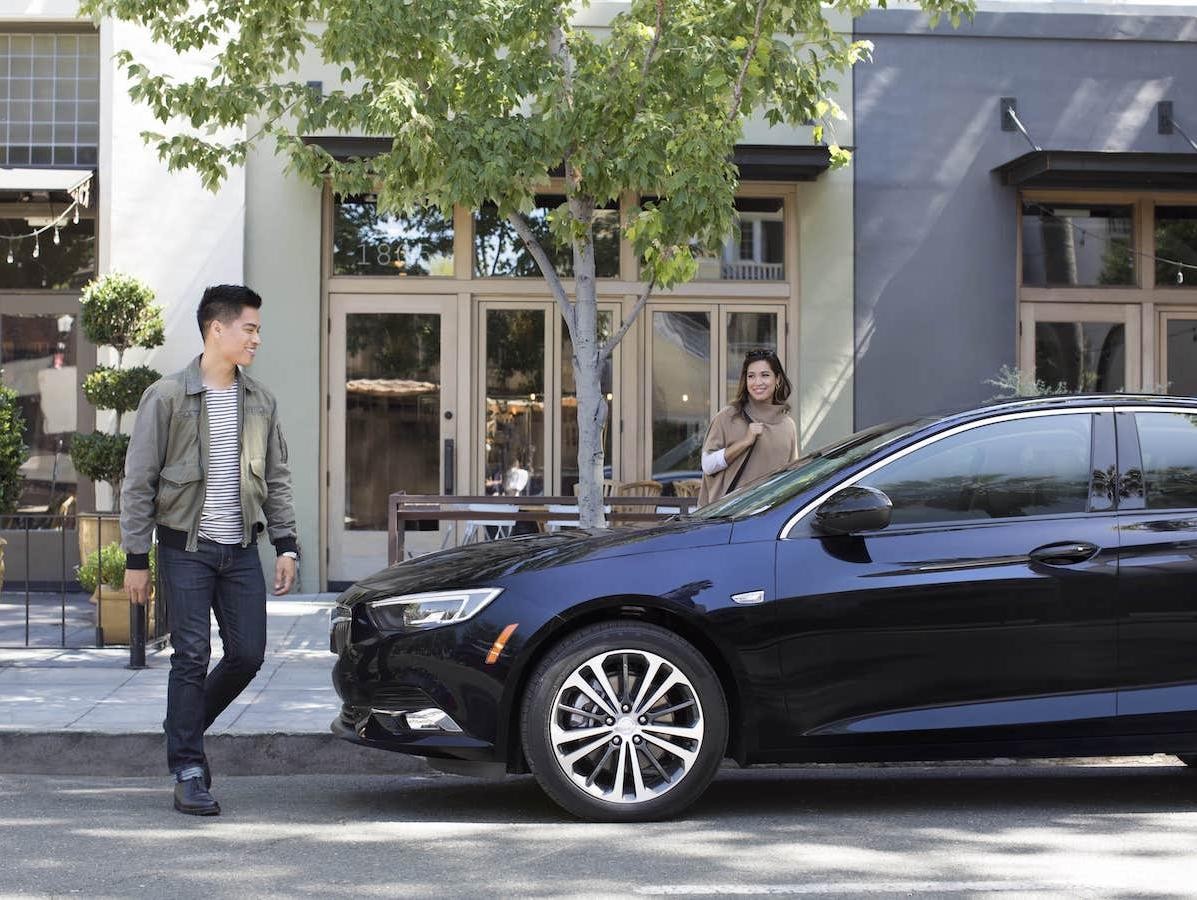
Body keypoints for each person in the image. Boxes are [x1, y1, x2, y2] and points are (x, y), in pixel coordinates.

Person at [120, 284, 298, 816]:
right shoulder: (167, 396)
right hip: (186, 549)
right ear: (216, 330)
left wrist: (287, 545)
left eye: (258, 330)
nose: (257, 339)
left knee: (247, 655)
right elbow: (138, 480)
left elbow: (278, 479)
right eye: (250, 328)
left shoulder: (260, 401)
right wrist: (135, 558)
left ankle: (184, 729)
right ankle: (190, 769)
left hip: (241, 549)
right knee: (191, 657)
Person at [698, 348, 798, 506]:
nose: (757, 382)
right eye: (751, 376)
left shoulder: (787, 426)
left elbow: (791, 477)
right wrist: (744, 442)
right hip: (729, 519)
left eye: (765, 375)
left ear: (777, 379)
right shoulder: (728, 416)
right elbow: (708, 465)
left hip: (771, 519)